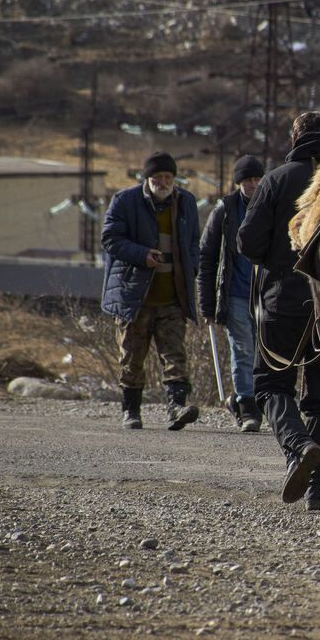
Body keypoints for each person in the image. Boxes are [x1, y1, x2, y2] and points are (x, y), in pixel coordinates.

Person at [237, 112, 320, 509]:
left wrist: (277, 260)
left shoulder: (278, 179)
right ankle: (316, 490)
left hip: (284, 297)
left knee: (269, 385)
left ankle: (298, 447)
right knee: (319, 395)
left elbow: (248, 242)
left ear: (296, 138)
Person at [101, 151, 201, 431]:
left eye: (168, 176)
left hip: (173, 295)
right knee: (132, 358)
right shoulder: (125, 201)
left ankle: (177, 408)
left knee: (175, 356)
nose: (163, 181)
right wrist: (142, 254)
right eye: (157, 176)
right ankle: (131, 411)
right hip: (135, 296)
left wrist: (191, 267)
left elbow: (194, 242)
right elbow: (110, 238)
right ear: (147, 178)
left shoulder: (186, 202)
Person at [198, 155, 265, 432]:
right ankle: (248, 407)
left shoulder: (270, 207)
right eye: (247, 180)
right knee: (243, 350)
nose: (252, 184)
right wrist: (206, 303)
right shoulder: (225, 210)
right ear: (238, 182)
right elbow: (207, 256)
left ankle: (255, 400)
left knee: (266, 352)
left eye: (256, 179)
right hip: (235, 294)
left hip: (266, 294)